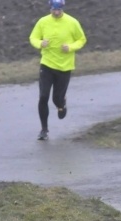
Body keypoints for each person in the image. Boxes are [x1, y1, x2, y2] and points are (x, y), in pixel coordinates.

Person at [28, 0, 87, 141]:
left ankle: (62, 104)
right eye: (53, 10)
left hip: (64, 67)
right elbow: (33, 37)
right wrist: (40, 43)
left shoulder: (72, 22)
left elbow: (82, 39)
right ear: (50, 8)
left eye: (58, 10)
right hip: (47, 65)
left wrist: (71, 47)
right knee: (43, 96)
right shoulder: (43, 22)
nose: (55, 12)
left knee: (56, 99)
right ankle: (44, 130)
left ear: (63, 9)